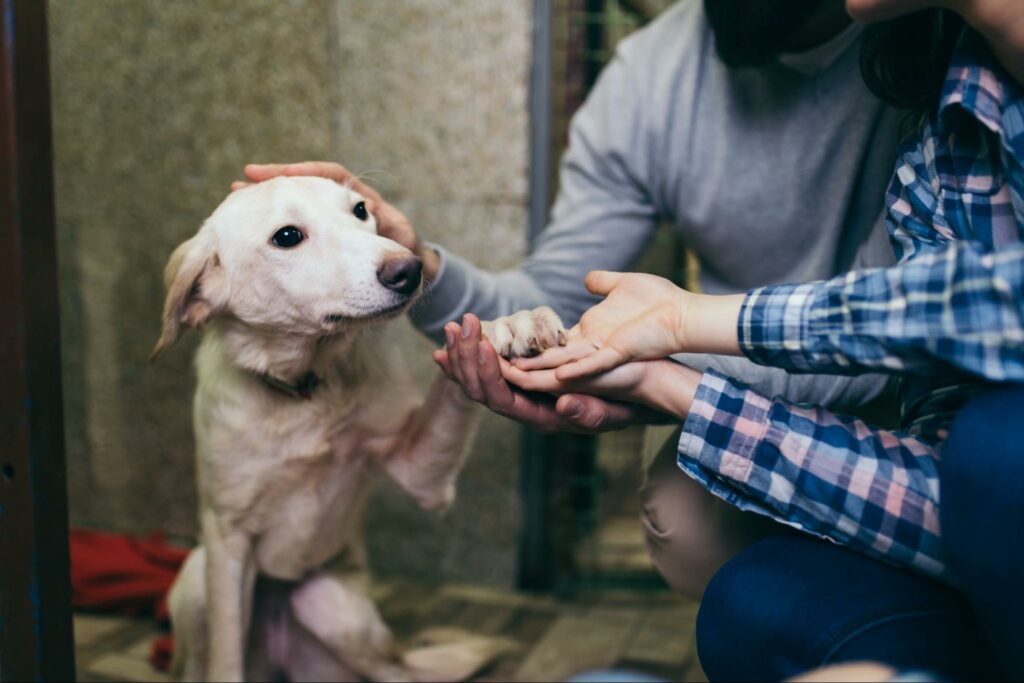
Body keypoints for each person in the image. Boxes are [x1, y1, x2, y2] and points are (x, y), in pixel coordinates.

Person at [239, 0, 908, 599]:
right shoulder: (651, 74)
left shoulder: (924, 50)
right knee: (686, 527)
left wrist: (657, 378)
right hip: (757, 378)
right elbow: (550, 294)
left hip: (921, 379)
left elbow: (906, 329)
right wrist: (423, 267)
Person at [497, 0, 1024, 677]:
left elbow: (972, 309)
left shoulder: (896, 87)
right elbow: (955, 502)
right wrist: (665, 382)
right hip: (960, 477)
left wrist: (692, 325)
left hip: (918, 416)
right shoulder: (941, 121)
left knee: (998, 450)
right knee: (747, 602)